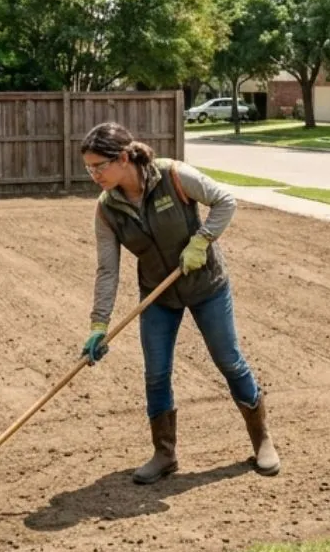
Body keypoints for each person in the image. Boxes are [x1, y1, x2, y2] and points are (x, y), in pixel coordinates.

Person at [80, 122, 278, 483]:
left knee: (229, 361)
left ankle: (262, 439)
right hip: (159, 295)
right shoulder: (107, 210)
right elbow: (107, 270)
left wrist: (201, 241)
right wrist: (99, 325)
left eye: (99, 166)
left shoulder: (172, 175)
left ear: (123, 158)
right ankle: (164, 453)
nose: (93, 174)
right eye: (88, 167)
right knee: (156, 374)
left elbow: (224, 201)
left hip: (206, 286)